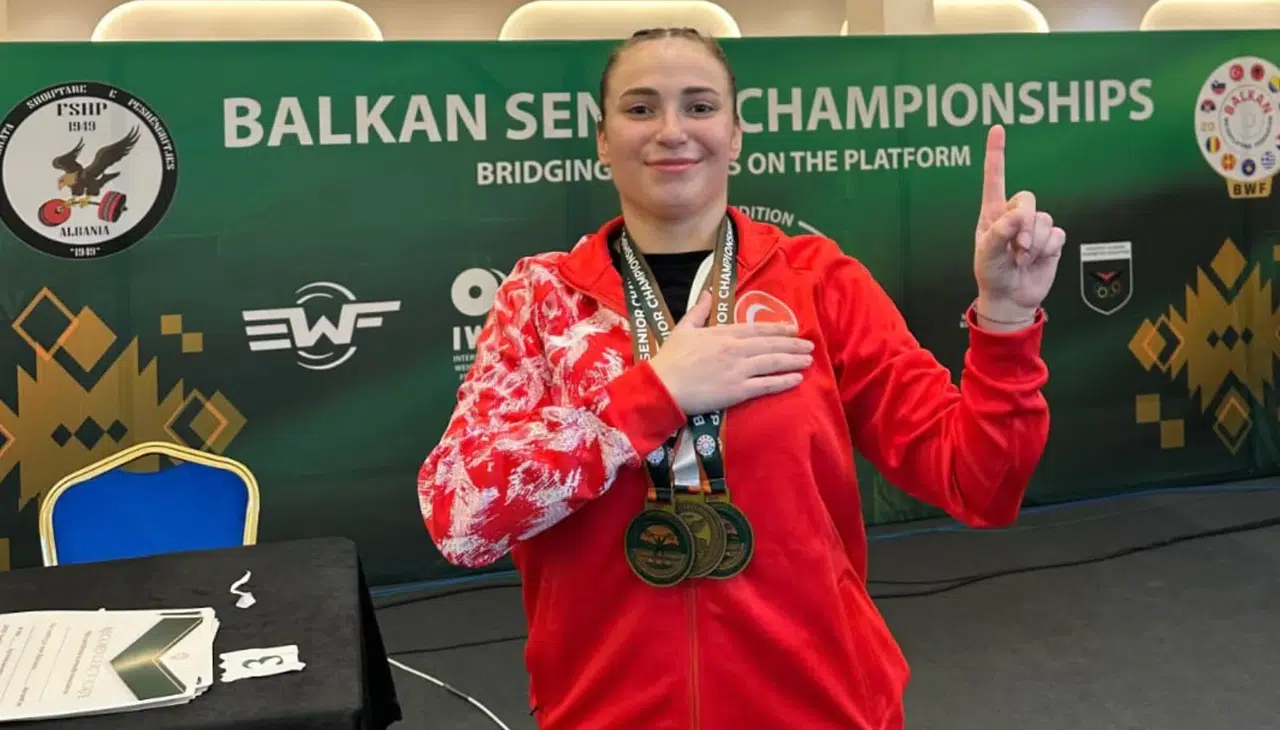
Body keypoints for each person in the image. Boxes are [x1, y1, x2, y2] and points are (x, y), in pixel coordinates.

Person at [417, 26, 1064, 730]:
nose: (671, 130)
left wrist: (1005, 319)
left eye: (699, 106)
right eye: (640, 108)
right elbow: (460, 517)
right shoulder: (542, 300)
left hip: (822, 709)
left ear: (735, 135)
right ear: (603, 139)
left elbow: (979, 482)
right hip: (607, 713)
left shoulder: (819, 282)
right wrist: (650, 398)